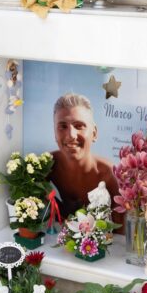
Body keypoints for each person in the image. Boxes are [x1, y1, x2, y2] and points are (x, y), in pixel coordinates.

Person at [48, 93, 121, 223]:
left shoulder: (110, 174)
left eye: (79, 126)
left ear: (94, 133)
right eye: (63, 126)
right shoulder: (47, 165)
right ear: (54, 133)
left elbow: (121, 234)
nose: (71, 135)